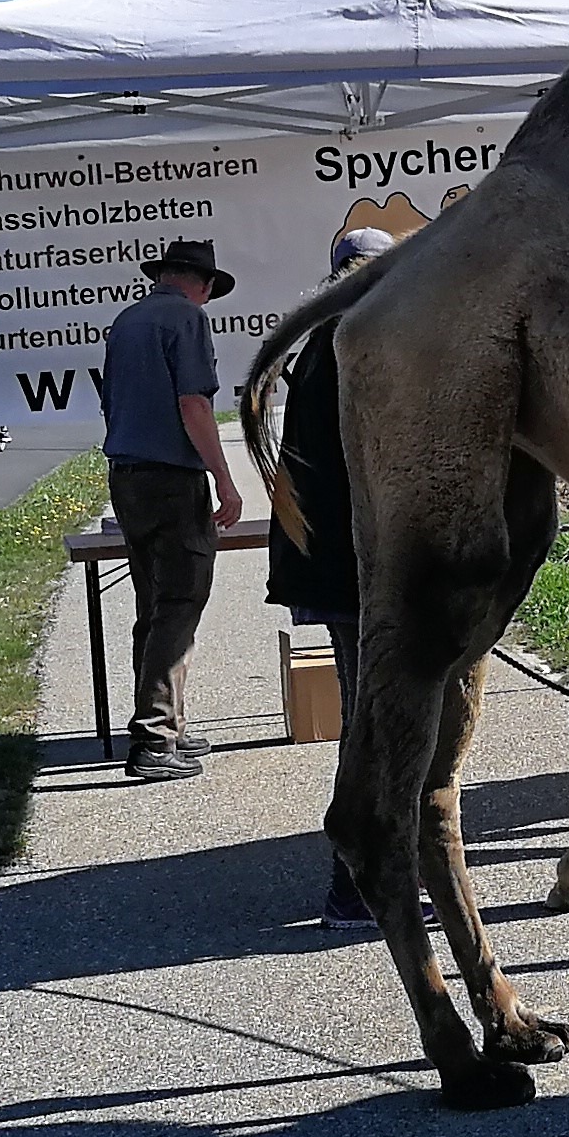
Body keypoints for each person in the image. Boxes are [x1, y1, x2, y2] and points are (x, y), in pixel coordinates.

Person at [266, 226, 392, 917]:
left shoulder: (328, 335)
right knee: (372, 723)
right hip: (358, 565)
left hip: (340, 563)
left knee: (368, 718)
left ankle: (366, 878)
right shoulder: (355, 338)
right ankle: (356, 885)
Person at [102, 237, 243, 782]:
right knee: (181, 602)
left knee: (154, 601)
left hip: (128, 475)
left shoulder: (129, 319)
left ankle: (169, 723)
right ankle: (156, 735)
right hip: (171, 478)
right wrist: (225, 480)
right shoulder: (187, 320)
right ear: (202, 283)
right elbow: (194, 403)